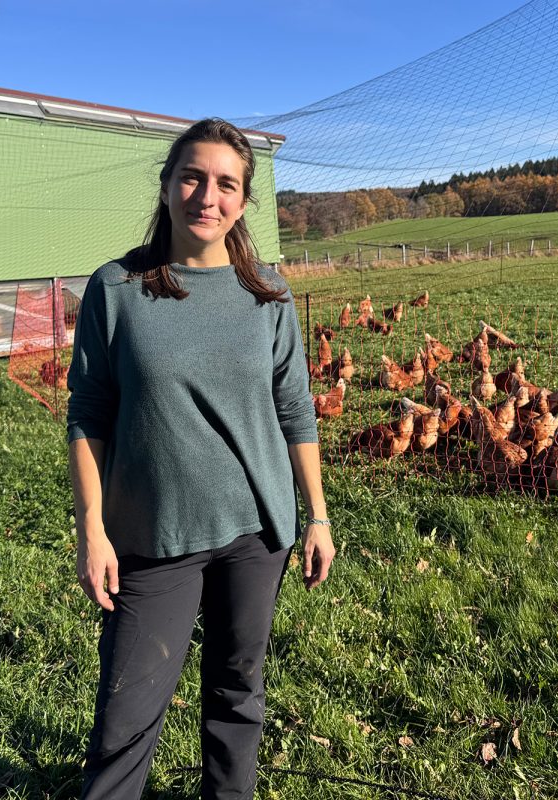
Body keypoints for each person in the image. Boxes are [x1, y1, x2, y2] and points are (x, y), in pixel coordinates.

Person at [66, 117, 335, 800]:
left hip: (256, 534)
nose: (205, 196)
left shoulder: (268, 293)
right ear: (166, 185)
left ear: (243, 200)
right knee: (126, 717)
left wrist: (318, 517)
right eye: (192, 176)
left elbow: (294, 408)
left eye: (225, 183)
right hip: (154, 536)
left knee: (237, 693)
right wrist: (92, 529)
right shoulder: (118, 288)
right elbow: (89, 416)